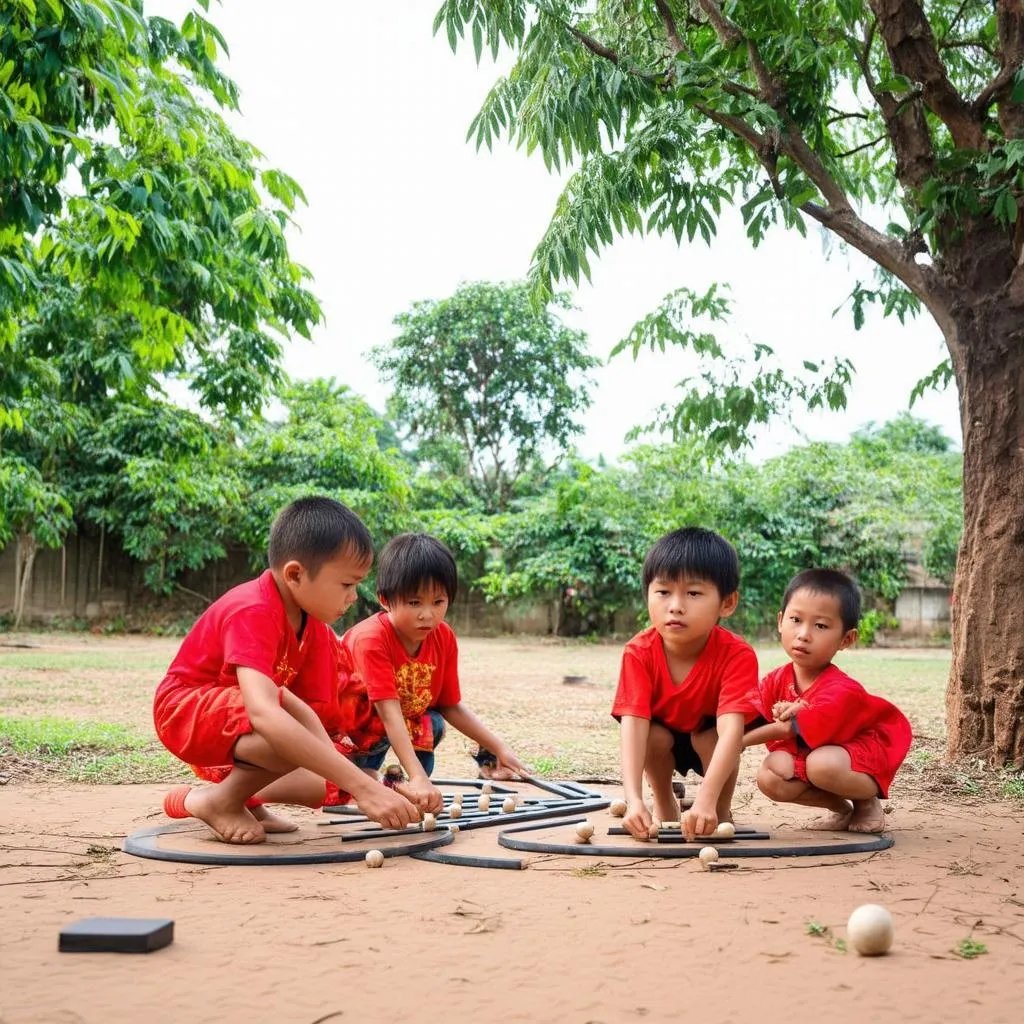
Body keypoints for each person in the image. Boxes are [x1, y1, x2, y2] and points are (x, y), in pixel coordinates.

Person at [152, 496, 420, 844]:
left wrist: (372, 785)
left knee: (315, 783)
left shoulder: (315, 629)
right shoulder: (254, 609)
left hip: (243, 719)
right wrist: (362, 787)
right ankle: (217, 801)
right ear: (295, 574)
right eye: (346, 584)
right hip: (185, 711)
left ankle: (237, 797)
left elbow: (315, 722)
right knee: (288, 736)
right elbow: (265, 713)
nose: (354, 597)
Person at [337, 532, 529, 812]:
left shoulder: (443, 637)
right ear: (385, 599)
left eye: (438, 602)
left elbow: (450, 705)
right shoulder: (372, 639)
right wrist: (418, 778)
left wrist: (498, 748)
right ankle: (373, 779)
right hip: (353, 727)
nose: (427, 615)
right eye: (415, 603)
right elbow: (388, 714)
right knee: (356, 783)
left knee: (433, 722)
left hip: (396, 722)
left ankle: (404, 783)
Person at [612, 527, 761, 842]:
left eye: (693, 593)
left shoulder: (737, 654)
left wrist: (706, 800)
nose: (675, 606)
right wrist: (633, 799)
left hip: (710, 739)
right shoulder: (638, 652)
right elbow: (633, 725)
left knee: (712, 738)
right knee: (651, 735)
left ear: (727, 603)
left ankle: (719, 807)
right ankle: (665, 802)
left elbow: (733, 732)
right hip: (662, 740)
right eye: (663, 592)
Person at [743, 568, 913, 833]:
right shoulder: (776, 680)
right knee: (769, 776)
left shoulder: (841, 689)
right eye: (796, 619)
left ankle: (865, 801)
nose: (803, 634)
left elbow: (788, 729)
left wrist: (735, 743)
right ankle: (841, 809)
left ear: (847, 639)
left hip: (858, 755)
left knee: (821, 765)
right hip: (813, 753)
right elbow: (747, 712)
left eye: (820, 625)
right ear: (780, 621)